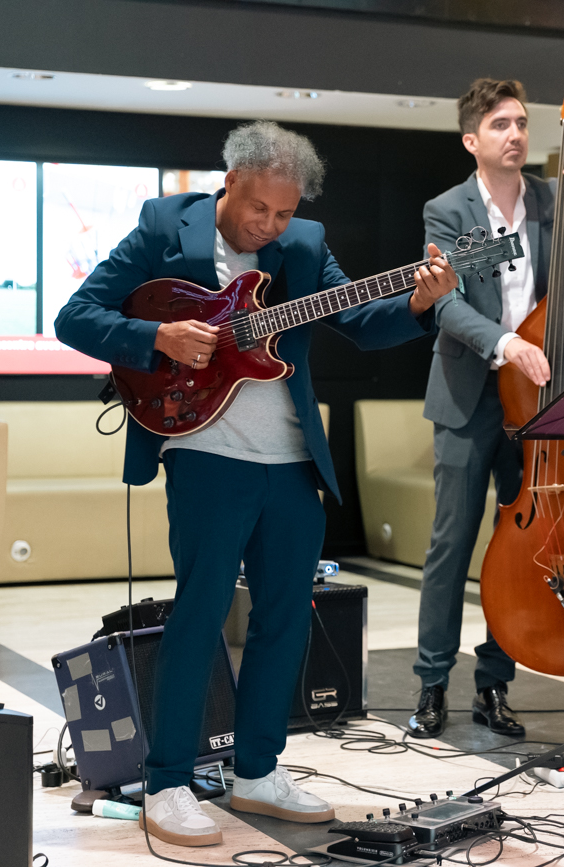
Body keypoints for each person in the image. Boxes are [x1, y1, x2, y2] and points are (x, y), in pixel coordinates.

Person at [55, 121, 456, 847]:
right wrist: (158, 338)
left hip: (293, 465)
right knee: (200, 615)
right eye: (259, 210)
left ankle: (258, 769)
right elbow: (76, 316)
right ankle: (169, 781)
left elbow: (361, 322)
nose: (270, 225)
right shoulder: (160, 226)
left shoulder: (301, 245)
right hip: (207, 457)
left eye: (283, 213)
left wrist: (420, 303)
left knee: (285, 618)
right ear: (230, 180)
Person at [407, 78, 564, 739]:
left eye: (520, 123)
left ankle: (495, 684)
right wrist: (507, 343)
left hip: (540, 398)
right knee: (451, 545)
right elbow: (447, 304)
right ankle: (431, 684)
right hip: (471, 392)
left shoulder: (551, 199)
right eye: (499, 125)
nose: (515, 134)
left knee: (525, 546)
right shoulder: (447, 209)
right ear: (471, 140)